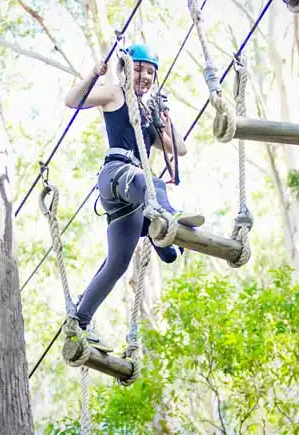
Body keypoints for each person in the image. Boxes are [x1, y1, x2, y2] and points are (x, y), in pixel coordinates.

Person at [63, 43, 204, 352]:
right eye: (140, 69)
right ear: (127, 69)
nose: (145, 77)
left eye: (151, 73)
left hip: (134, 196)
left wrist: (164, 118)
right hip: (118, 175)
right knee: (152, 183)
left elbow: (179, 149)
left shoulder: (147, 113)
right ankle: (168, 217)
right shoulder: (115, 94)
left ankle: (80, 321)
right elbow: (72, 100)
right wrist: (94, 74)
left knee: (118, 264)